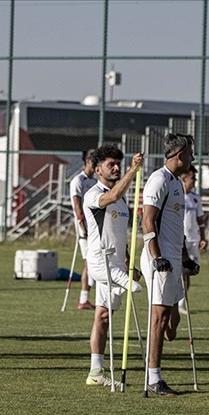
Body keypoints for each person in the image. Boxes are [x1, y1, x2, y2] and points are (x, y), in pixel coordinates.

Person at [140, 133, 200, 396]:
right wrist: (156, 257)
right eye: (190, 154)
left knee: (171, 325)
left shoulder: (177, 183)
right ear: (179, 156)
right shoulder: (159, 179)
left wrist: (186, 259)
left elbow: (177, 229)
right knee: (159, 316)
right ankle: (153, 378)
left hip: (175, 257)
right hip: (160, 258)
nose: (193, 158)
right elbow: (147, 221)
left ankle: (155, 364)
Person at [82, 146, 144, 387]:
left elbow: (120, 236)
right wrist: (133, 170)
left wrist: (130, 263)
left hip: (118, 262)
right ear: (98, 170)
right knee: (136, 289)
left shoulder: (122, 196)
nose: (116, 167)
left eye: (119, 163)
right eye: (111, 164)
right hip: (101, 262)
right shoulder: (94, 194)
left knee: (104, 315)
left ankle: (95, 372)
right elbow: (112, 197)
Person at [69, 149, 98, 310]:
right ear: (87, 161)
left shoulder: (94, 182)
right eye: (94, 162)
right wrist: (82, 227)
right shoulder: (78, 181)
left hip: (95, 226)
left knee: (94, 261)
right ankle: (83, 299)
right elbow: (77, 206)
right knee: (88, 262)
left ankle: (88, 297)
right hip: (85, 228)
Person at [178, 165, 208, 315]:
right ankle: (175, 302)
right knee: (178, 273)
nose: (194, 181)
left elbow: (200, 219)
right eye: (192, 178)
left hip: (193, 240)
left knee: (189, 272)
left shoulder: (196, 199)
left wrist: (203, 237)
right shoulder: (176, 196)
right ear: (183, 179)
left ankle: (181, 303)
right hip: (179, 241)